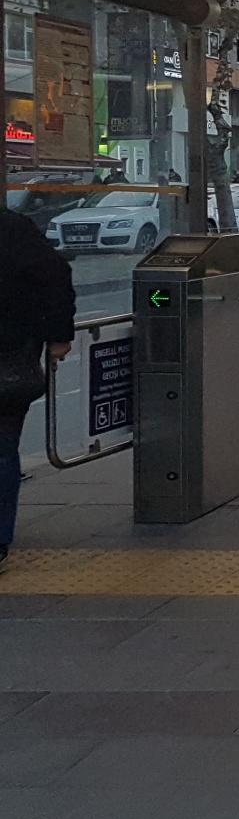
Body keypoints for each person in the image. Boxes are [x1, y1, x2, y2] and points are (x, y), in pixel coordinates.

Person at [1, 203, 76, 570]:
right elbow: (54, 274)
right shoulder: (13, 229)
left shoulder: (11, 228)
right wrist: (57, 336)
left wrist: (57, 334)